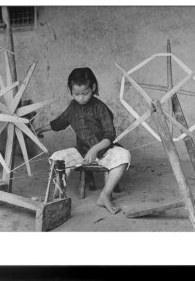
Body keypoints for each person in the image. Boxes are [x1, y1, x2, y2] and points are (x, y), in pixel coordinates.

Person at [35, 67, 131, 214]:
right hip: (82, 152)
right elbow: (59, 123)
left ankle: (104, 196)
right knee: (57, 158)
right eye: (76, 94)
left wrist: (95, 149)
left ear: (93, 87)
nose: (81, 98)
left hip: (104, 151)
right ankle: (57, 198)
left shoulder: (100, 107)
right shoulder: (73, 107)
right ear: (70, 90)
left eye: (85, 93)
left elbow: (110, 135)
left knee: (124, 155)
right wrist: (39, 130)